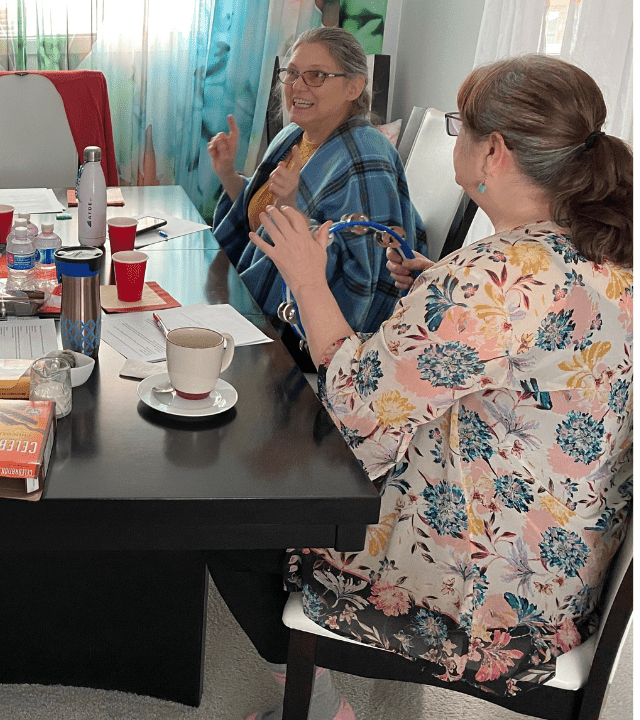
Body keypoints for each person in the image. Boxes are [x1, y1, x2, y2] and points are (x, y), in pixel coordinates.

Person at [209, 53, 632, 718]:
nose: (455, 139)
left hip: (486, 596)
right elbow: (526, 343)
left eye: (461, 127)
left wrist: (307, 279)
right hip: (558, 562)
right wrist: (438, 284)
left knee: (235, 510)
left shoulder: (493, 280)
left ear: (493, 153)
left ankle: (321, 705)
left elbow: (352, 416)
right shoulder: (601, 251)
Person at [208, 27, 426, 368]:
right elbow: (262, 217)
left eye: (317, 76)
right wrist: (228, 174)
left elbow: (363, 283)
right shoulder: (293, 135)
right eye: (292, 73)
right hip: (261, 304)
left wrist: (291, 208)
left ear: (353, 87)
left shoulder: (366, 158)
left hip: (310, 334)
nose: (297, 86)